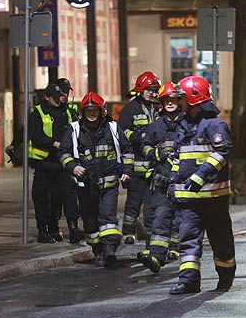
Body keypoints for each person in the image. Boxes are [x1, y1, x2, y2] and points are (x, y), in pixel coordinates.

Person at [167, 76, 236, 294]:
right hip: (189, 201)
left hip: (213, 199)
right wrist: (172, 184)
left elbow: (222, 152)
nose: (179, 103)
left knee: (222, 243)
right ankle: (188, 281)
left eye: (182, 98)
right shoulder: (183, 125)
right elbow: (179, 159)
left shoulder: (215, 125)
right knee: (187, 242)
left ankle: (225, 278)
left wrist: (199, 177)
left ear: (194, 98)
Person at [58, 92, 134, 267]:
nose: (91, 114)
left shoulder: (113, 129)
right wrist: (73, 167)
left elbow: (127, 150)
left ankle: (110, 250)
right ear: (83, 112)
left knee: (108, 218)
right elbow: (63, 152)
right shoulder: (74, 129)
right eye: (88, 111)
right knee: (90, 221)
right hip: (85, 186)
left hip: (109, 185)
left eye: (95, 110)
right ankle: (98, 251)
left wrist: (127, 170)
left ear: (102, 111)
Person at [138, 82, 185, 273]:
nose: (170, 103)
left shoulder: (187, 124)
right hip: (162, 182)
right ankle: (156, 256)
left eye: (174, 100)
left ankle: (176, 250)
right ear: (162, 102)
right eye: (167, 100)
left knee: (181, 220)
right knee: (160, 218)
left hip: (184, 182)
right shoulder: (154, 127)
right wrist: (159, 155)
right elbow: (144, 147)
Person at [28, 83, 82, 244]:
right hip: (44, 163)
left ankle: (72, 228)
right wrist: (54, 143)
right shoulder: (37, 113)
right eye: (56, 98)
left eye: (61, 97)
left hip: (63, 163)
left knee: (68, 195)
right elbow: (35, 136)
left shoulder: (68, 112)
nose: (59, 100)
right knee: (42, 198)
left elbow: (77, 130)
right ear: (47, 97)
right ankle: (43, 231)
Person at [118, 71, 161, 244]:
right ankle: (128, 232)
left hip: (155, 165)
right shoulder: (130, 109)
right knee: (133, 202)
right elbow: (123, 132)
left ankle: (151, 232)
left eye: (155, 89)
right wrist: (140, 137)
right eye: (150, 89)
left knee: (152, 203)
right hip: (137, 165)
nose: (152, 92)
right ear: (141, 89)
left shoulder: (159, 107)